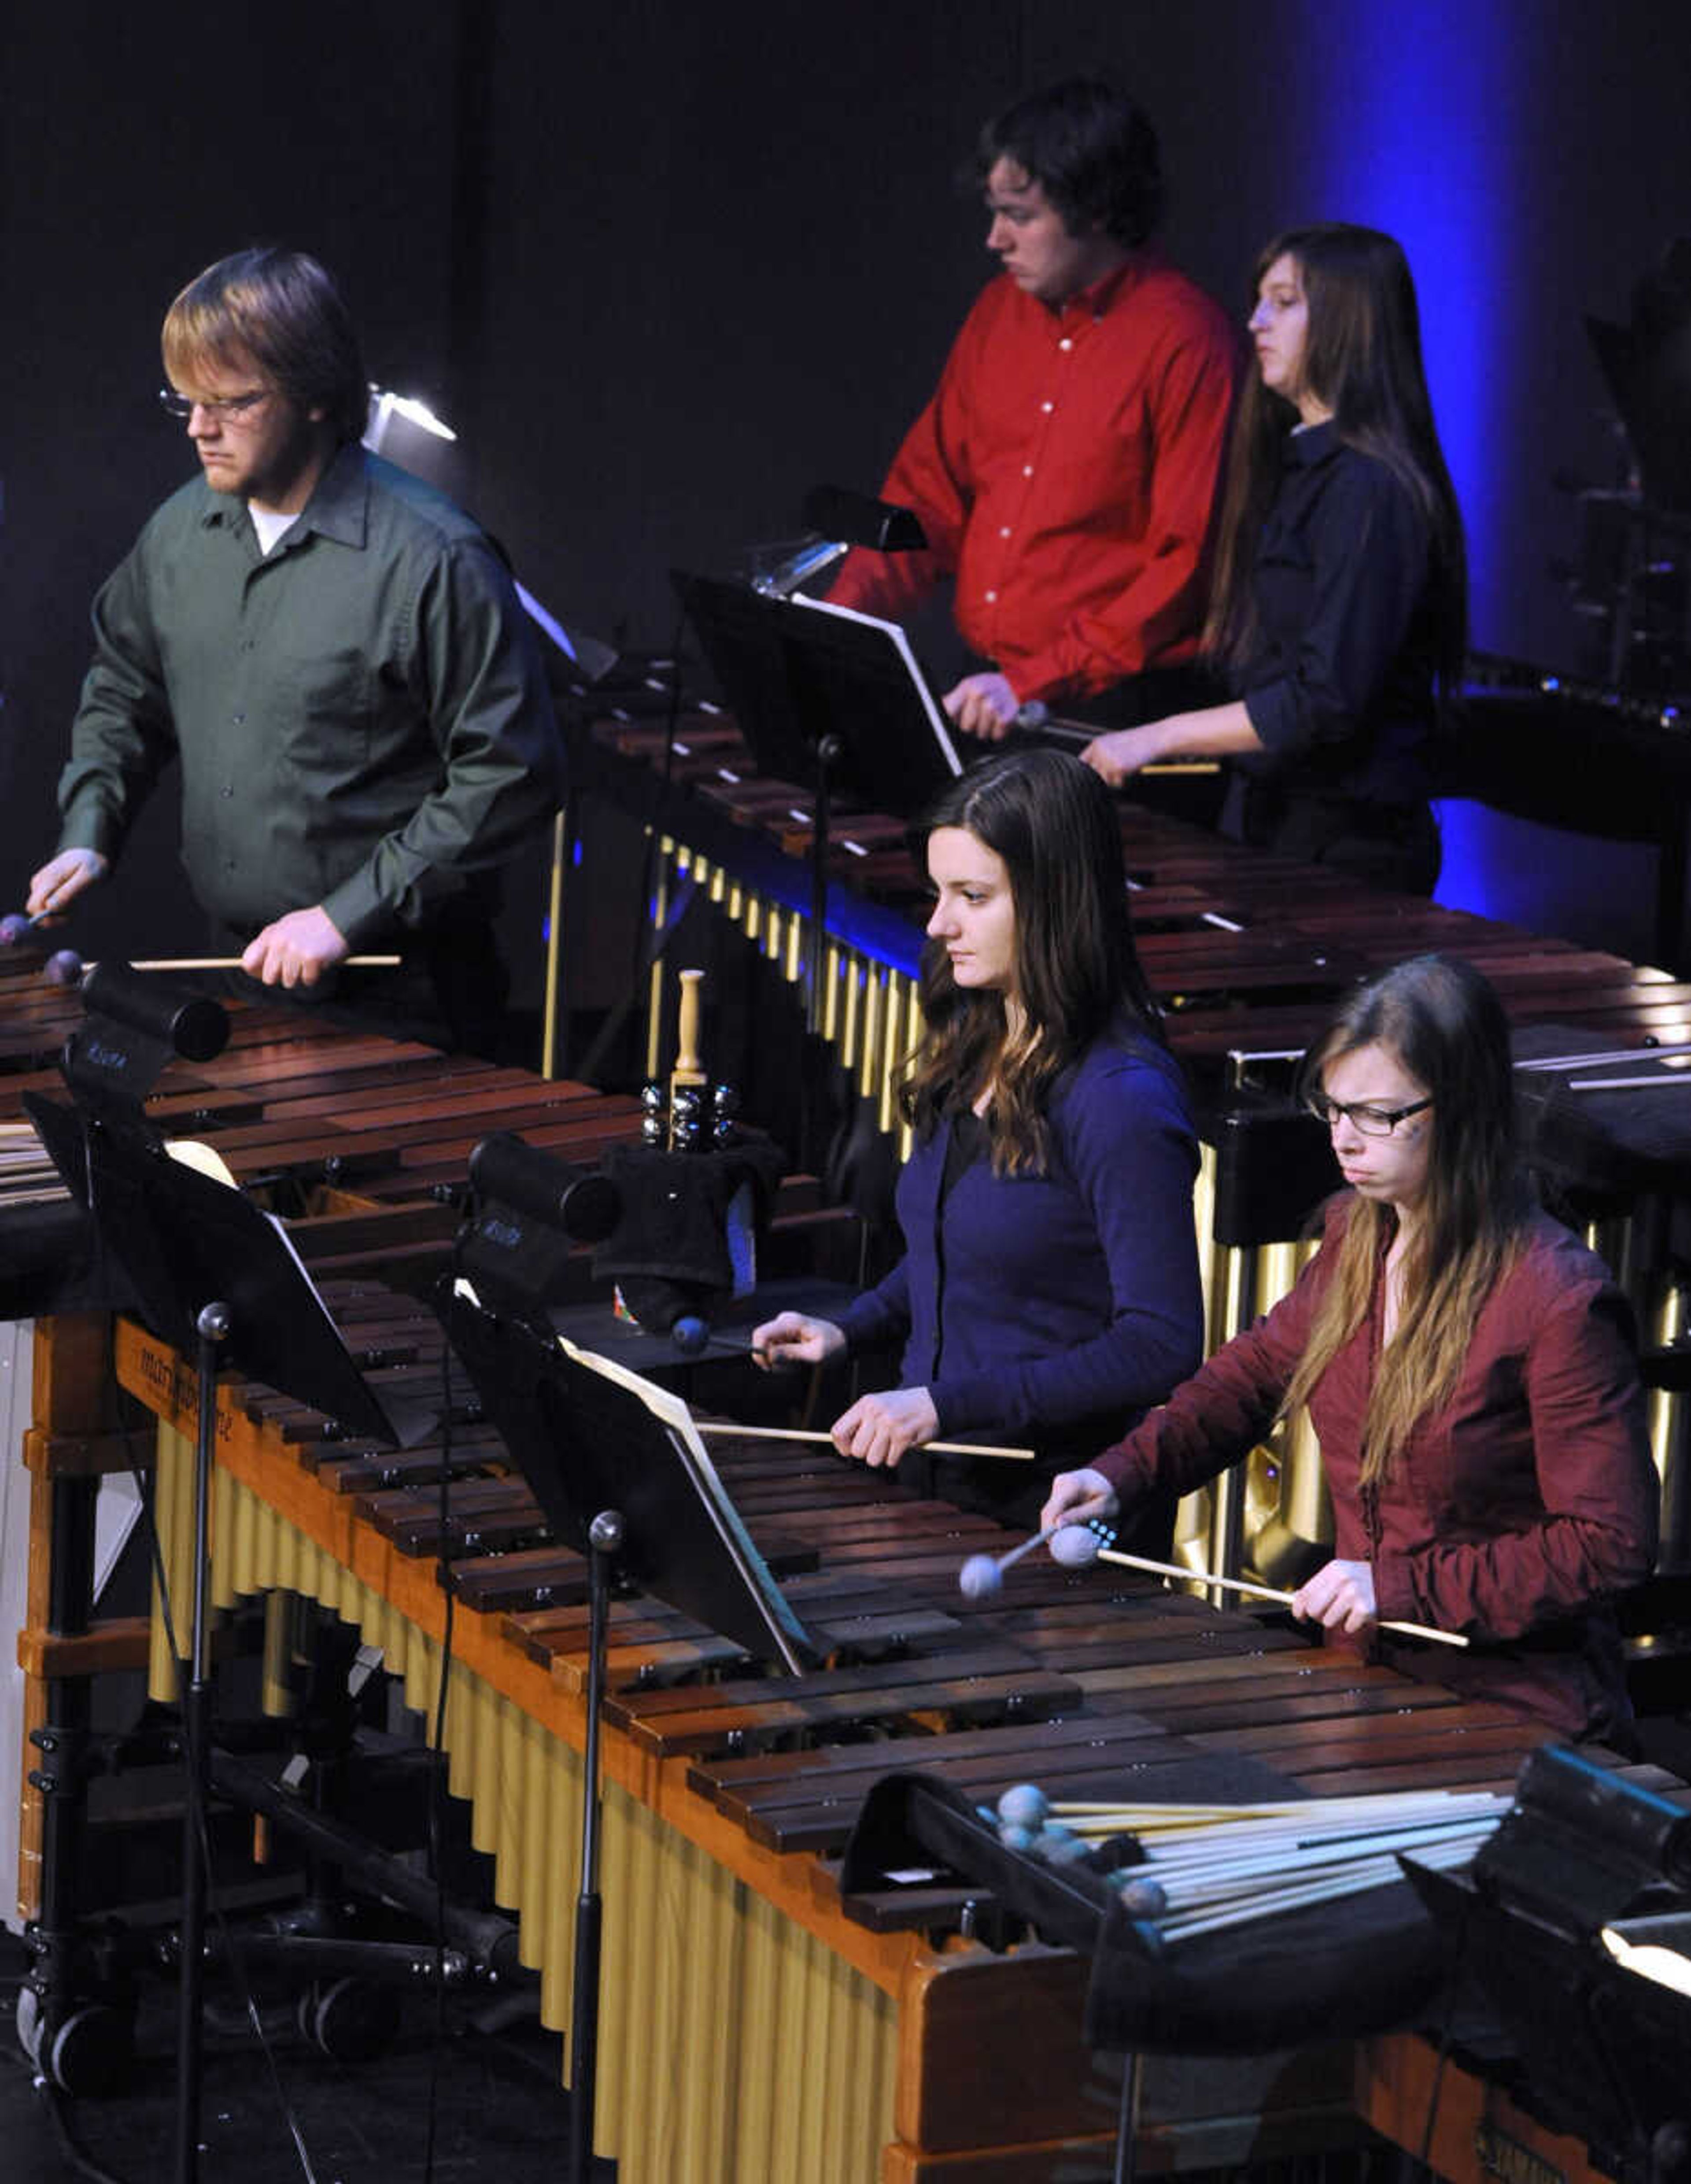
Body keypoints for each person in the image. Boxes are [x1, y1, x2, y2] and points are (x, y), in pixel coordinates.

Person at [1041, 954, 1659, 1744]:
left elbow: (1609, 1545)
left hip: (1511, 1716)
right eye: (1332, 1108)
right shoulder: (1355, 1234)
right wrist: (1120, 1475)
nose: (1343, 1139)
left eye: (1376, 1115)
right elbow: (1255, 1375)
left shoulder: (1557, 1300)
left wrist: (1398, 1588)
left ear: (1462, 1112)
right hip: (1362, 1686)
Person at [26, 247, 564, 1055]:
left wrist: (343, 915)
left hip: (402, 989)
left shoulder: (434, 560)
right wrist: (90, 825)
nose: (201, 429)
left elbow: (513, 772)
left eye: (232, 403)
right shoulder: (180, 533)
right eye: (187, 403)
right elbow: (125, 684)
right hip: (236, 967)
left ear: (315, 394)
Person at [752, 746, 1204, 1533]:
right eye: (938, 893)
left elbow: (1162, 1343)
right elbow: (957, 1259)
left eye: (973, 896)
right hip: (938, 1484)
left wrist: (944, 1404)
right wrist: (850, 1328)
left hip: (1048, 1514)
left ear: (1054, 901)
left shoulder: (1119, 1099)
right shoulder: (975, 1039)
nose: (938, 924)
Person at [828, 77, 1237, 741]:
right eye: (994, 213)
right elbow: (928, 497)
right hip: (991, 693)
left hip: (1116, 718)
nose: (995, 239)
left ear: (1096, 209)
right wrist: (843, 624)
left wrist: (1037, 677)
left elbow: (1186, 563)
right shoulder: (997, 315)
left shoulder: (1188, 340)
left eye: (1020, 216)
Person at [1082, 225, 1468, 896]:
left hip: (1350, 846)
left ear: (1353, 320)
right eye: (1259, 301)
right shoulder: (1300, 467)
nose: (1257, 322)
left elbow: (1327, 699)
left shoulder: (1371, 489)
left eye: (1285, 302)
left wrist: (1159, 736)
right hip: (1280, 823)